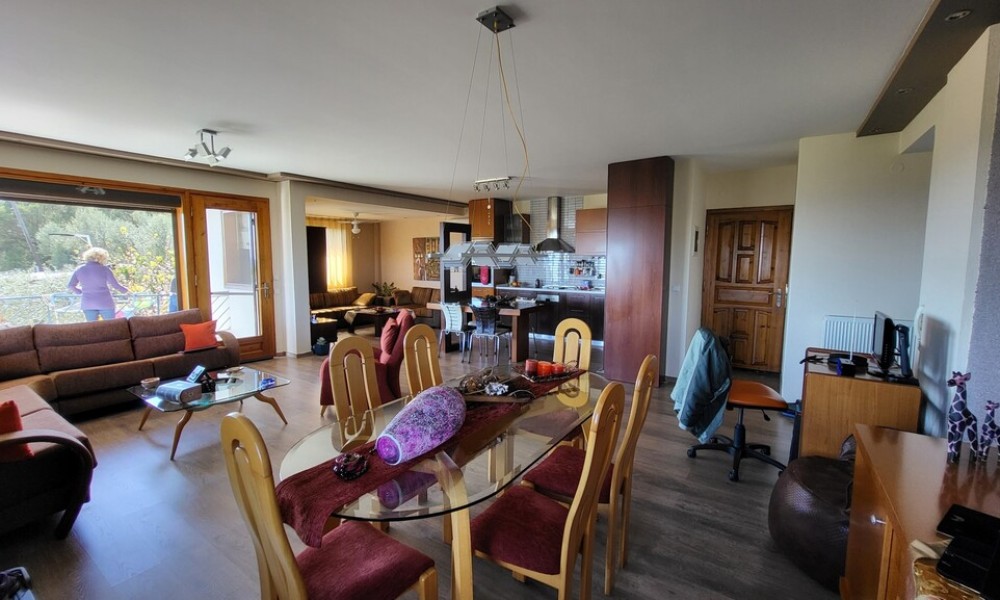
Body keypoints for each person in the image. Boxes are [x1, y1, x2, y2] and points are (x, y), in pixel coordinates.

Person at [67, 247, 129, 321]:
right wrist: (126, 291)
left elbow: (71, 285)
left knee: (92, 326)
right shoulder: (104, 269)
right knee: (110, 325)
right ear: (102, 258)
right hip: (105, 302)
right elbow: (115, 285)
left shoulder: (79, 269)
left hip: (88, 303)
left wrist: (80, 291)